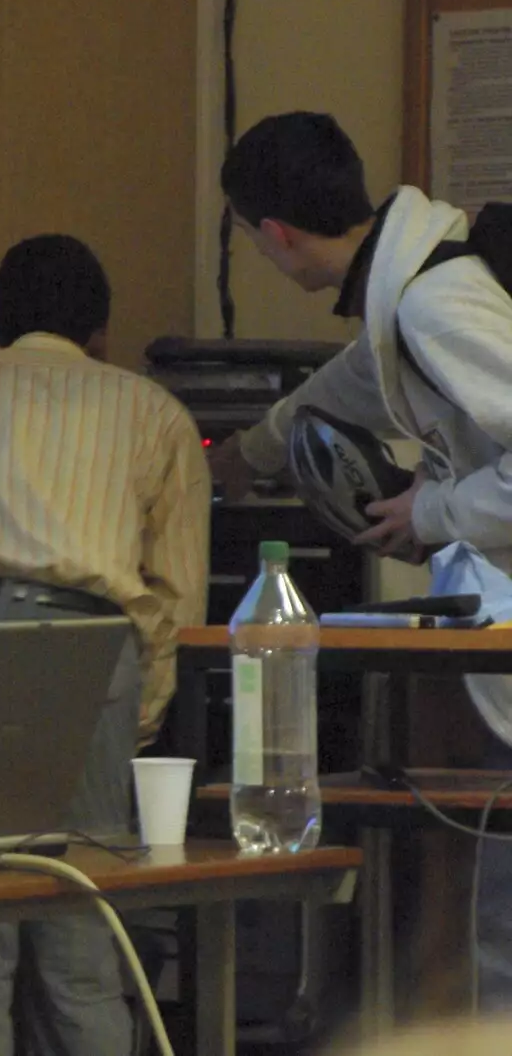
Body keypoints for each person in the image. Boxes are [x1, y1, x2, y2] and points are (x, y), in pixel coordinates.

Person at [0, 234, 211, 1056]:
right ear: (100, 330)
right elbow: (176, 589)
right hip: (87, 641)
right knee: (83, 919)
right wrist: (144, 706)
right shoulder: (154, 410)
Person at [208, 110, 512, 1008]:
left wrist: (436, 508)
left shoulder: (431, 302)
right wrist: (246, 455)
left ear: (276, 234)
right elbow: (339, 388)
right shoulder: (408, 282)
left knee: (499, 917)